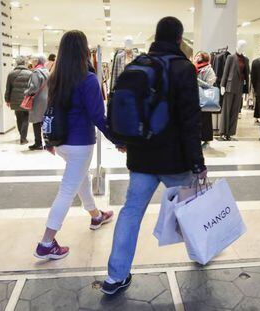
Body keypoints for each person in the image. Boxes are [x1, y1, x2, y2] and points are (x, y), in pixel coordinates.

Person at [102, 17, 207, 295]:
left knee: (131, 212)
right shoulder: (184, 68)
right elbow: (190, 120)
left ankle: (115, 276)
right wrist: (198, 163)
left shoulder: (139, 65)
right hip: (175, 160)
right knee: (190, 210)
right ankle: (200, 253)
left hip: (142, 158)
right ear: (178, 38)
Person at [34, 30, 114, 260]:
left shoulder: (55, 76)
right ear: (83, 50)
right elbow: (99, 116)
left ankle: (96, 215)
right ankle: (46, 242)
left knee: (81, 179)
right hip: (80, 143)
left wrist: (48, 139)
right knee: (67, 190)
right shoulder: (88, 79)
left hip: (61, 143)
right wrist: (118, 140)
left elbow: (49, 109)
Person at [4, 56, 32, 144]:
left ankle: (21, 135)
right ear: (25, 63)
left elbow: (8, 88)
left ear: (16, 63)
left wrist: (7, 100)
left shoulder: (11, 74)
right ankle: (23, 138)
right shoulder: (30, 73)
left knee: (18, 117)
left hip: (14, 99)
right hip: (25, 99)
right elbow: (31, 87)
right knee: (25, 118)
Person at [25, 54, 50, 150]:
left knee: (36, 121)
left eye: (34, 60)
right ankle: (48, 143)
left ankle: (38, 143)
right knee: (45, 121)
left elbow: (33, 87)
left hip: (37, 100)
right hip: (46, 98)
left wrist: (27, 92)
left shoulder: (36, 72)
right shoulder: (46, 71)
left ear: (37, 61)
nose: (32, 62)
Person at [194, 51, 217, 148]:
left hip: (204, 97)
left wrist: (196, 79)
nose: (197, 57)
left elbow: (209, 84)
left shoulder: (209, 69)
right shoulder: (194, 67)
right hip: (194, 97)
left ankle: (207, 140)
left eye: (199, 56)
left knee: (205, 119)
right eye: (197, 55)